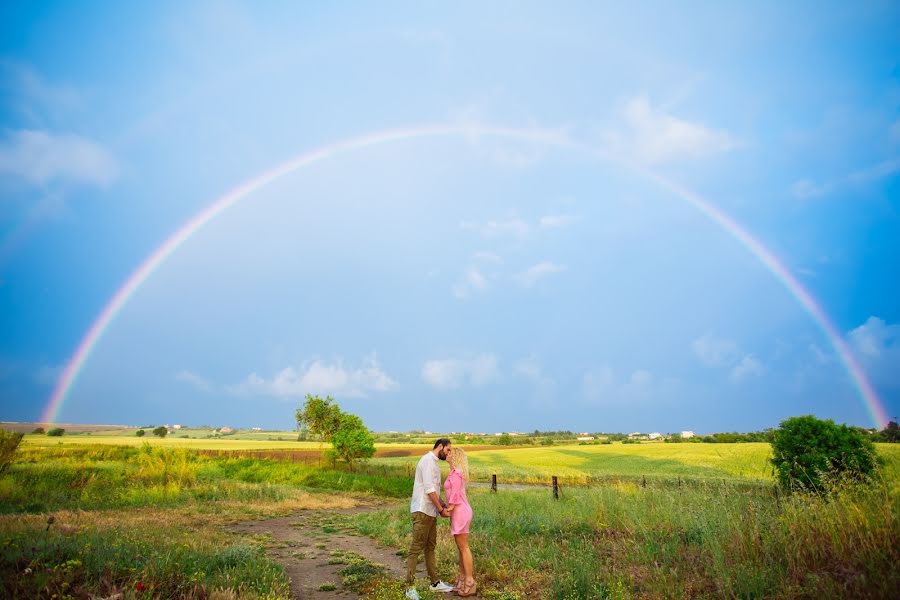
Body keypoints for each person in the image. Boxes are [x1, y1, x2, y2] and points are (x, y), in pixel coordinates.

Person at [406, 438, 455, 599]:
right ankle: (409, 588)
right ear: (440, 446)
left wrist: (443, 504)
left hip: (430, 511)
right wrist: (441, 509)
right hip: (422, 510)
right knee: (416, 548)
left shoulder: (434, 463)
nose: (448, 453)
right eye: (448, 450)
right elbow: (428, 489)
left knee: (430, 547)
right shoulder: (427, 461)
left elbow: (435, 491)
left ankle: (435, 583)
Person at [445, 447, 476, 597]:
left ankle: (470, 581)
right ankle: (463, 578)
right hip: (458, 512)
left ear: (455, 456)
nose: (447, 454)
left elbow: (455, 495)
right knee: (460, 547)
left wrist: (448, 509)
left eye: (450, 452)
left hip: (460, 512)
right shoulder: (454, 472)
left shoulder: (457, 473)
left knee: (463, 547)